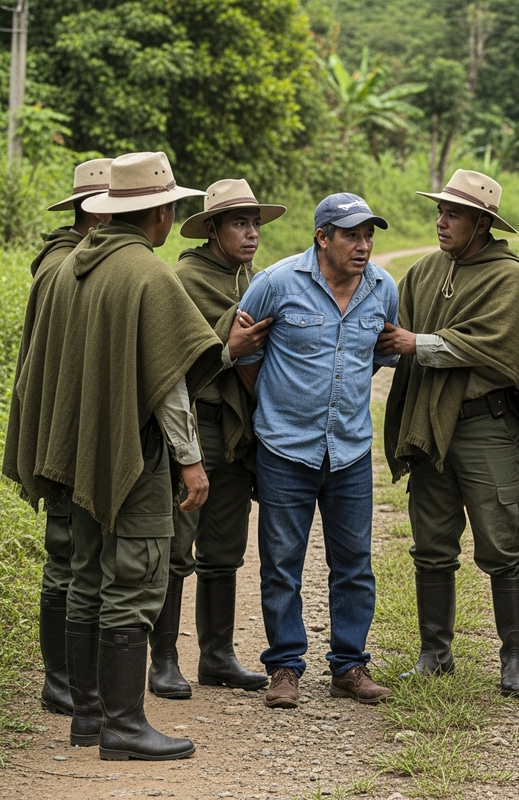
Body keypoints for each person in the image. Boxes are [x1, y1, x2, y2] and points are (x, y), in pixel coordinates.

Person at [3, 151, 235, 761]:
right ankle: (125, 726)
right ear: (159, 212)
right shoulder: (148, 274)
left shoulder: (74, 264)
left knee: (86, 577)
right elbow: (171, 382)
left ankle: (88, 717)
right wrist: (190, 459)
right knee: (134, 578)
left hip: (82, 451)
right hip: (134, 452)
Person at [380, 169, 519, 697]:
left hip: (486, 425)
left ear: (482, 223)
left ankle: (514, 660)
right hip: (429, 426)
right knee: (431, 543)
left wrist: (418, 343)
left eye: (453, 214)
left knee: (503, 540)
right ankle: (434, 654)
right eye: (440, 212)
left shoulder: (508, 277)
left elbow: (496, 346)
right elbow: (390, 336)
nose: (441, 222)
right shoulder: (423, 272)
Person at [234, 192, 398, 709]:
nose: (363, 245)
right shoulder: (277, 283)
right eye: (351, 235)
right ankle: (285, 667)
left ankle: (349, 667)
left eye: (368, 235)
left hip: (349, 450)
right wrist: (276, 402)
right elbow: (244, 353)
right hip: (285, 449)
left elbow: (373, 358)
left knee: (355, 564)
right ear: (322, 237)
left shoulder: (383, 289)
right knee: (282, 563)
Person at [147, 179, 283, 699]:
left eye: (255, 224)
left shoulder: (254, 280)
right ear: (211, 228)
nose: (251, 233)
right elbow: (169, 364)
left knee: (224, 548)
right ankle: (163, 660)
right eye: (239, 223)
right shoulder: (185, 279)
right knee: (177, 546)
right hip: (195, 424)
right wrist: (230, 349)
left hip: (236, 430)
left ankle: (217, 656)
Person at [4, 158, 113, 718]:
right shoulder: (62, 265)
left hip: (73, 422)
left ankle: (75, 677)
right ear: (96, 212)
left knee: (79, 555)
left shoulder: (76, 258)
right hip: (64, 428)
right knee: (66, 553)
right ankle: (59, 679)